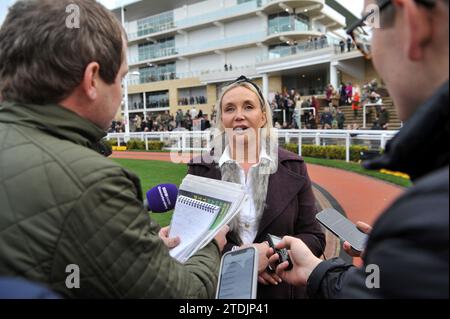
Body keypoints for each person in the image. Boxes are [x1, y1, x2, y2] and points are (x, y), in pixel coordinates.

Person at [0, 0, 228, 298]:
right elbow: (183, 297)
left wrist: (136, 249)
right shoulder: (93, 181)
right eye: (121, 78)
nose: (121, 93)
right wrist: (210, 243)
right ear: (92, 79)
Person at [270, 0, 449, 298]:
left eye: (368, 28)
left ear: (414, 24)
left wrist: (396, 251)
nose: (372, 53)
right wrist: (388, 259)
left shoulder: (424, 226)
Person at [187, 76, 326, 299]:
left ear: (262, 117)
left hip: (282, 289)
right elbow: (191, 241)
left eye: (248, 107)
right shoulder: (199, 170)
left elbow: (314, 237)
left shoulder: (294, 166)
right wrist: (246, 261)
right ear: (222, 119)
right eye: (229, 108)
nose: (239, 115)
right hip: (224, 291)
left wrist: (270, 257)